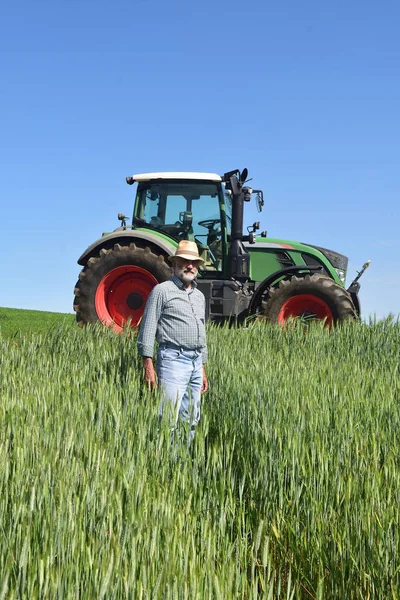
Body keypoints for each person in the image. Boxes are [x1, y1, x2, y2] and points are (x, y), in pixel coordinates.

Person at [137, 240, 208, 443]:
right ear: (174, 264)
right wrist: (148, 365)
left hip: (195, 362)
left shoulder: (199, 296)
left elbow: (201, 332)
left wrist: (202, 366)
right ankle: (165, 465)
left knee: (192, 418)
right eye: (185, 261)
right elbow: (148, 327)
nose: (190, 266)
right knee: (168, 417)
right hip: (172, 359)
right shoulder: (162, 291)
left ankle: (182, 463)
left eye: (194, 263)